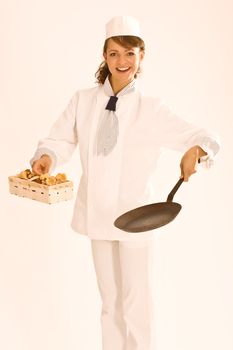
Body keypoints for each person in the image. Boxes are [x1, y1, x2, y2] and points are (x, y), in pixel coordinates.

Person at [30, 16, 220, 350]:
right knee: (110, 304)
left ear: (141, 56)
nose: (122, 62)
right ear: (104, 56)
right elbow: (58, 140)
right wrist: (46, 158)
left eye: (129, 53)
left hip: (137, 218)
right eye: (115, 53)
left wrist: (197, 150)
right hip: (97, 215)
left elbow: (202, 135)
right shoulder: (83, 100)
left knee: (138, 305)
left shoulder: (151, 108)